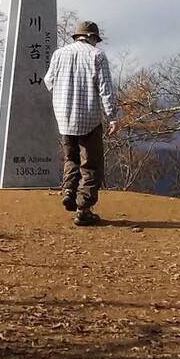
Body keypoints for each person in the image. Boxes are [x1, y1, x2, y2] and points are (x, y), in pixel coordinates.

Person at [43, 20, 118, 227]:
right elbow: (105, 89)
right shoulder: (97, 55)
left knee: (71, 158)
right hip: (88, 118)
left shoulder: (59, 54)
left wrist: (62, 94)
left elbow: (48, 81)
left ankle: (68, 190)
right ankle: (83, 209)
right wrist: (112, 117)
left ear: (76, 36)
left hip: (64, 117)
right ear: (93, 38)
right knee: (91, 165)